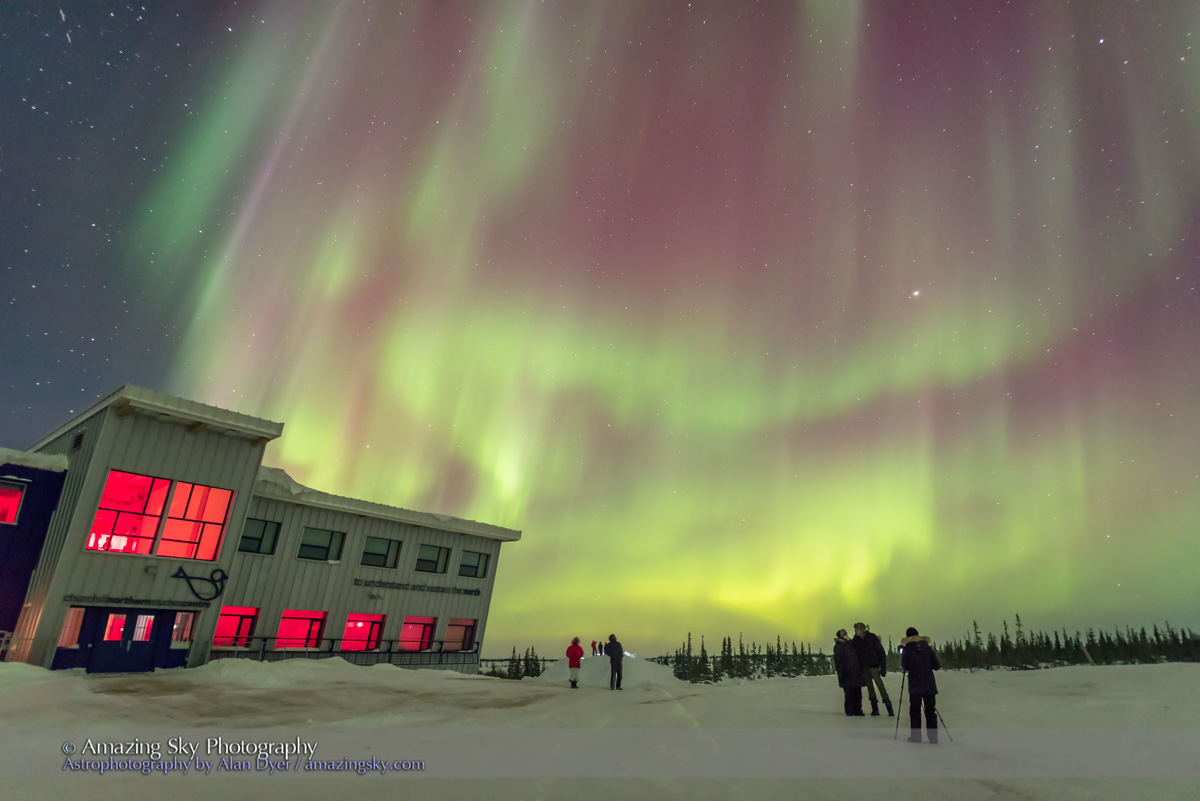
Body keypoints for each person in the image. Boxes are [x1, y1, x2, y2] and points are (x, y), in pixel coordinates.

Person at [900, 626, 941, 743]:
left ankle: (916, 737)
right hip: (929, 685)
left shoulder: (907, 649)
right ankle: (933, 738)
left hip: (915, 685)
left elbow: (905, 666)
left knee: (915, 711)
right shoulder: (927, 648)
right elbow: (937, 666)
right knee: (930, 711)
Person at [852, 622, 893, 716]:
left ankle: (888, 706)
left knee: (880, 687)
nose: (855, 632)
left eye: (856, 630)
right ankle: (875, 709)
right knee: (870, 689)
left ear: (860, 630)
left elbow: (881, 653)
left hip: (874, 666)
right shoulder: (856, 641)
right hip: (865, 668)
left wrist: (883, 668)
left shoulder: (872, 638)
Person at [833, 629, 865, 716]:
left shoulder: (851, 644)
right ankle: (850, 711)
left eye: (846, 634)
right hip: (846, 673)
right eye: (844, 634)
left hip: (855, 672)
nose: (846, 635)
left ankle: (858, 710)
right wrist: (841, 673)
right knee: (849, 693)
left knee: (857, 692)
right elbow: (838, 661)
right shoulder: (839, 646)